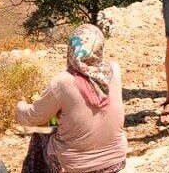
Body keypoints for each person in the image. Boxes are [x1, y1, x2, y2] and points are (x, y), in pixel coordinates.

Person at [17, 24, 127, 173]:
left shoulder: (63, 82)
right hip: (116, 162)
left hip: (76, 167)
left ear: (71, 49)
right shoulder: (114, 70)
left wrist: (19, 106)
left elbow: (34, 117)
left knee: (40, 135)